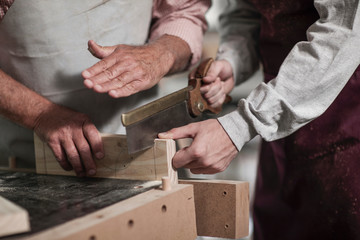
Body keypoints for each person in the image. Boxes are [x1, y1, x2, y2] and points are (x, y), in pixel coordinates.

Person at [159, 0, 360, 239]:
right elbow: (247, 12)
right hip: (278, 134)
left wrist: (243, 124)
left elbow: (344, 32)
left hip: (346, 119)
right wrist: (233, 61)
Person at [0, 0, 210, 177]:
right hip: (26, 167)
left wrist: (162, 53)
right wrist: (39, 115)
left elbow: (185, 10)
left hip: (153, 155)